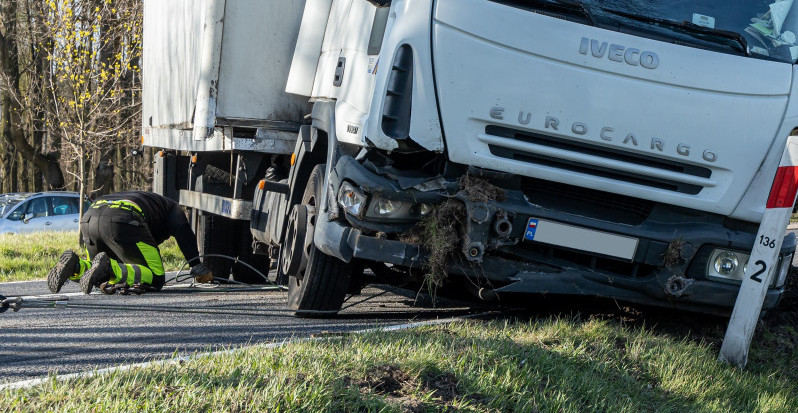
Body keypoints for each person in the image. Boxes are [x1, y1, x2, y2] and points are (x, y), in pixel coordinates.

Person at [47, 191, 214, 294]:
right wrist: (196, 265)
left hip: (90, 217)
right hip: (123, 218)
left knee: (96, 273)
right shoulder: (172, 207)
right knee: (156, 277)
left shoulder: (150, 202)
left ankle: (76, 266)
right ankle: (109, 268)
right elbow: (183, 231)